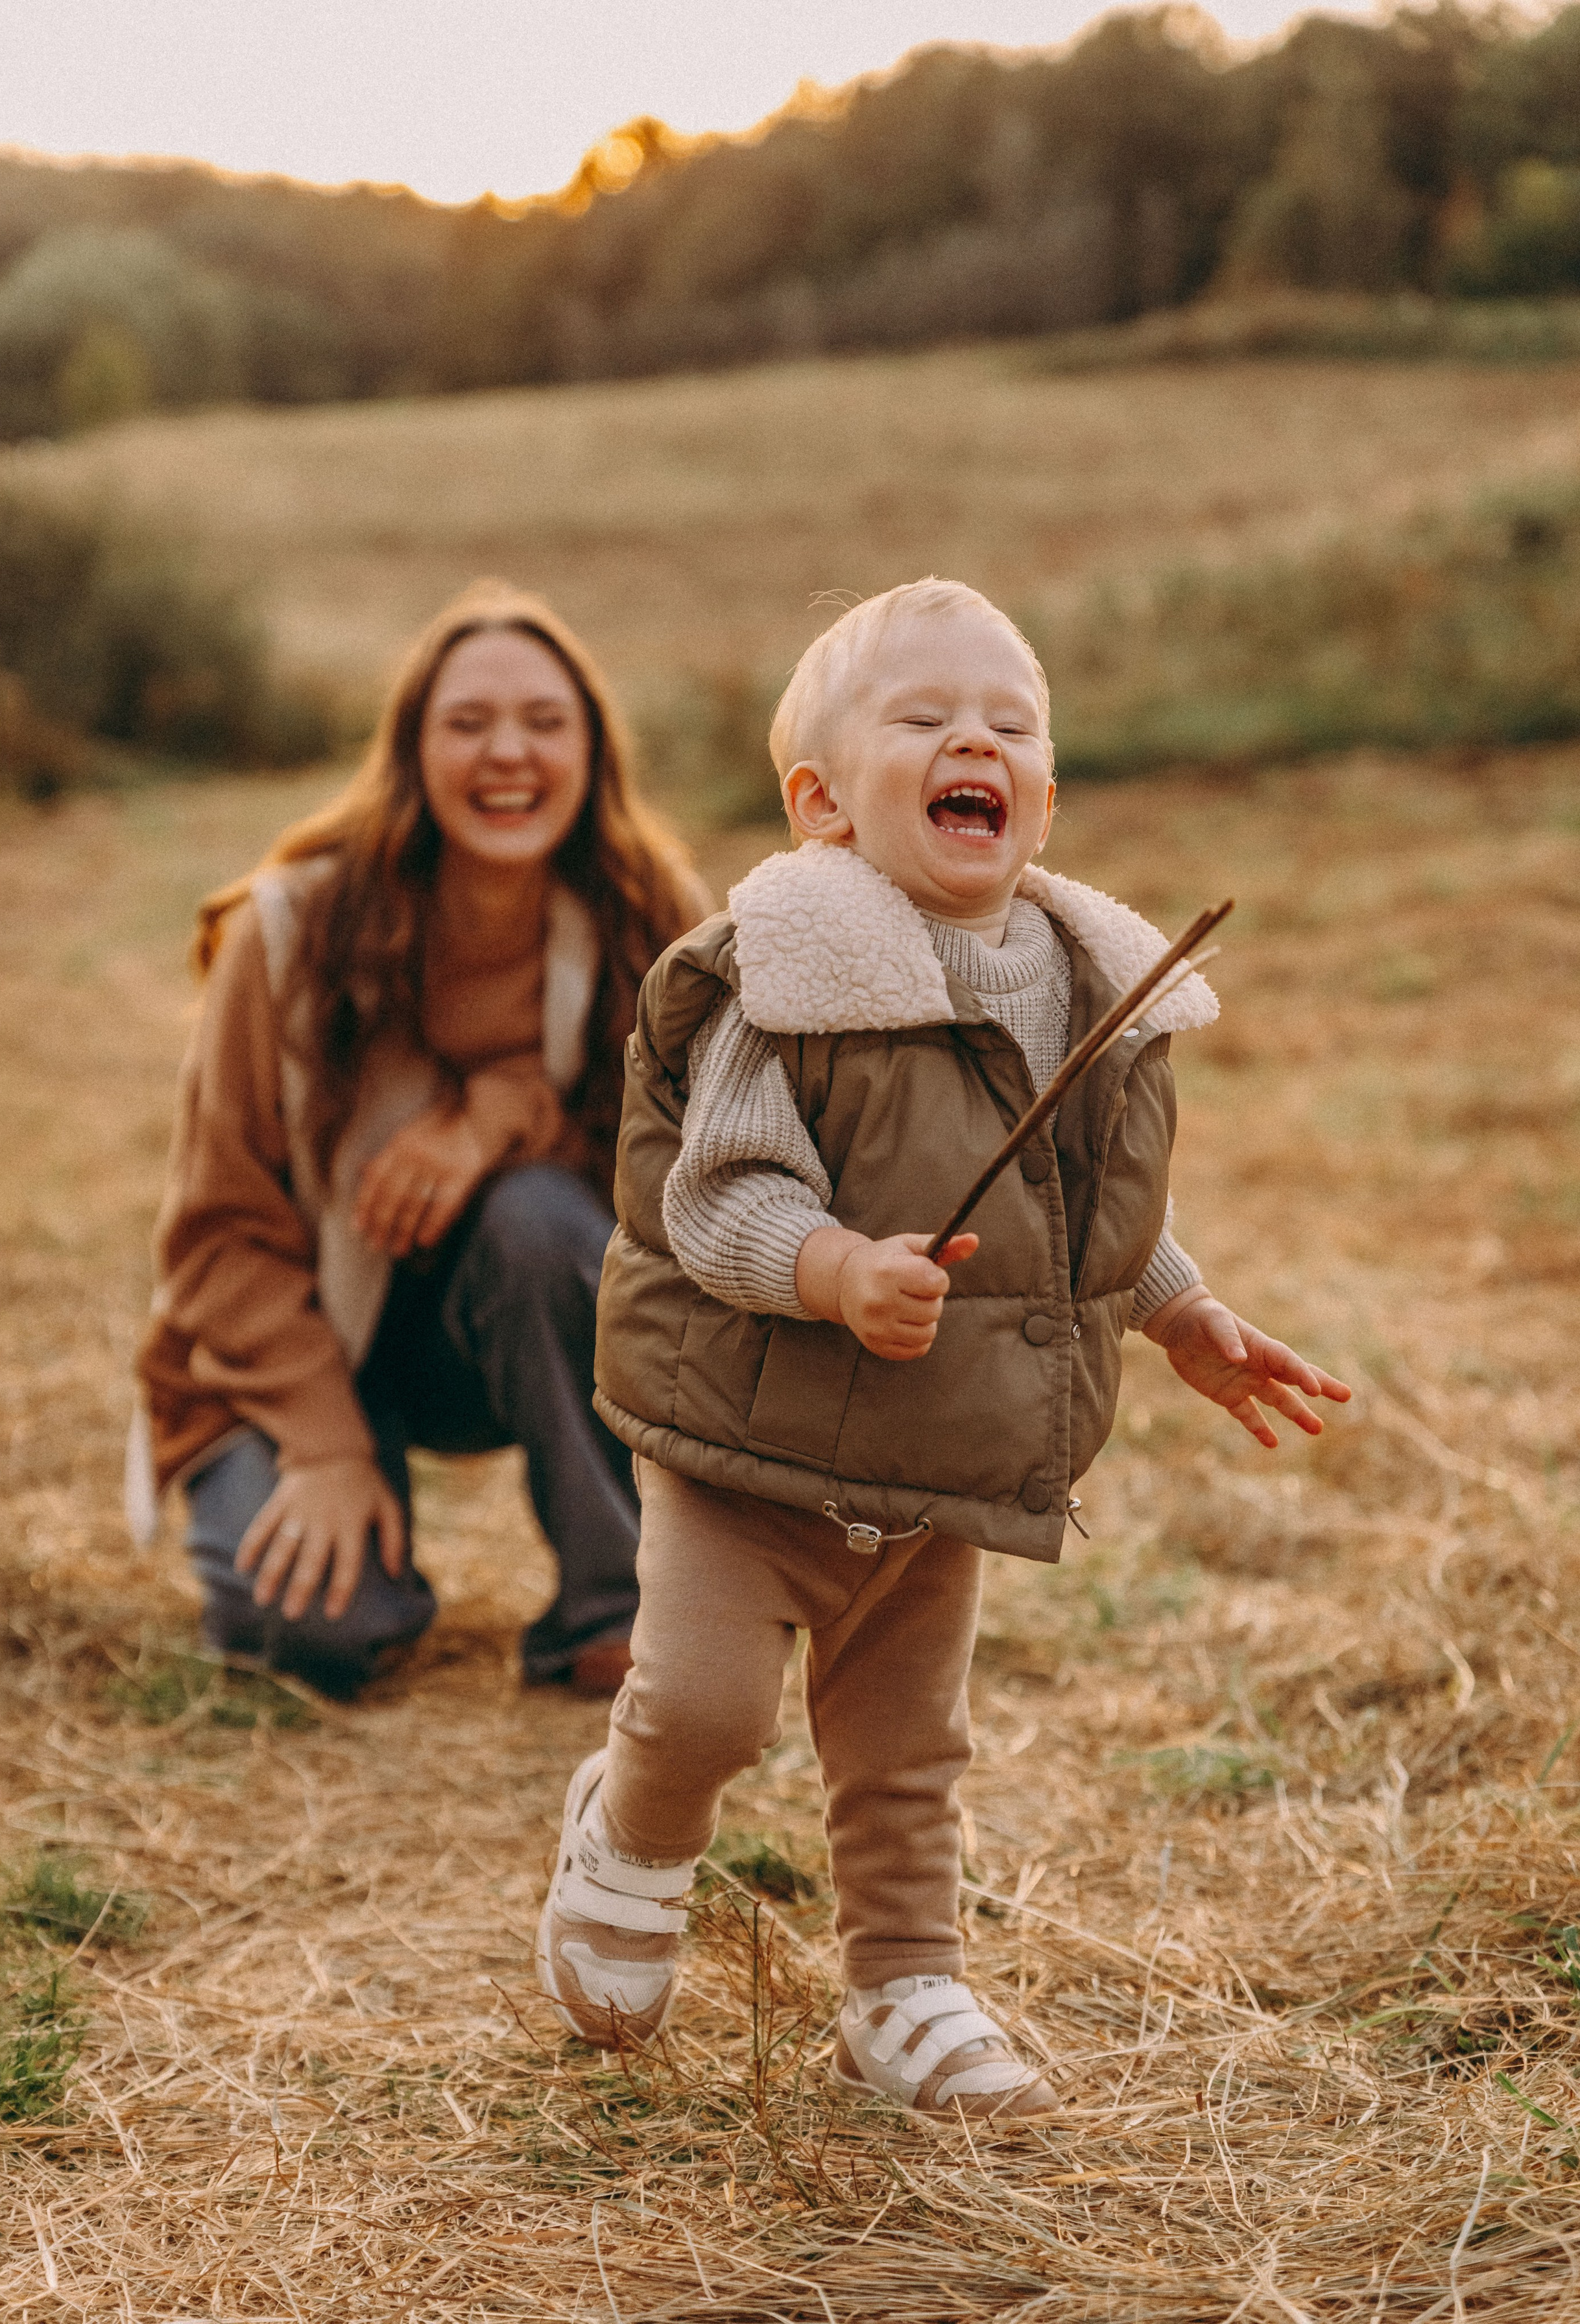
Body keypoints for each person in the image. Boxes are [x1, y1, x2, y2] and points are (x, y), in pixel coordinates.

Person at [534, 576, 1351, 2116]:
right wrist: (832, 1266)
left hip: (932, 1462)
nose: (972, 737)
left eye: (1009, 724)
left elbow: (1068, 1211)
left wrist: (1178, 1306)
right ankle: (631, 1841)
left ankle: (903, 1983)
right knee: (705, 1705)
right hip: (753, 1446)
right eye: (922, 718)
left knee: (907, 1751)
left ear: (1040, 797)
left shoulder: (1078, 982)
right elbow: (714, 1195)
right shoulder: (787, 971)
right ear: (821, 801)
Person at [129, 581, 710, 1700]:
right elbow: (216, 1238)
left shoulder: (649, 912)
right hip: (297, 1342)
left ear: (591, 749)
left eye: (546, 722)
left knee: (545, 1221)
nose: (509, 754)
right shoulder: (290, 928)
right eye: (468, 722)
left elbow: (677, 1169)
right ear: (411, 750)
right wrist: (327, 1444)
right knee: (314, 1636)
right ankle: (361, 1540)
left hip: (503, 1322)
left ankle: (616, 1609)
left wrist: (497, 1117)